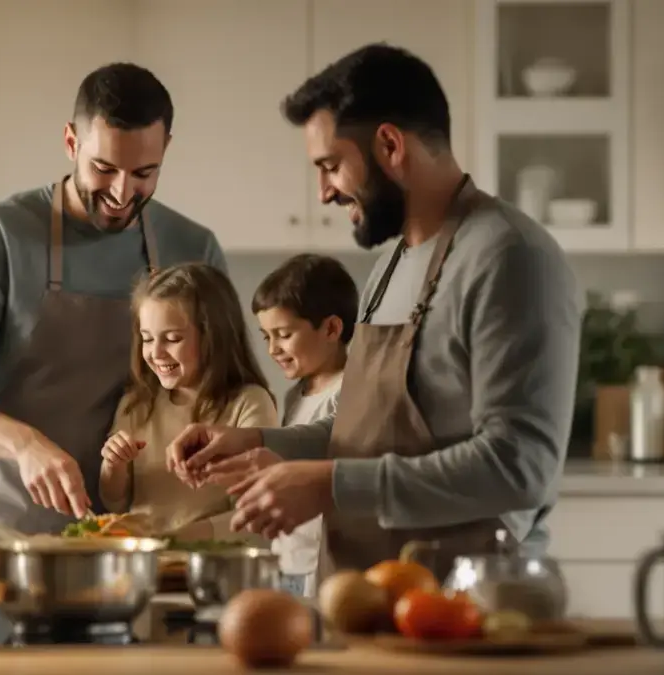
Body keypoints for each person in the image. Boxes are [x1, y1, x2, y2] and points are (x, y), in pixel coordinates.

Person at [168, 43, 581, 581]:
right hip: (368, 593)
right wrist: (263, 442)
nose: (323, 193)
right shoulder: (389, 264)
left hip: (467, 603)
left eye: (331, 165)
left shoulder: (510, 256)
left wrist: (329, 485)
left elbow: (518, 465)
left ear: (389, 144)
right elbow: (366, 429)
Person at [0, 63, 228, 534]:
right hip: (13, 531)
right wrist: (24, 444)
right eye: (104, 168)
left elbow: (228, 388)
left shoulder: (193, 248)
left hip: (151, 535)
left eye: (145, 172)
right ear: (70, 143)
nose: (123, 193)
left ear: (165, 149)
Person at [98, 263, 276, 542]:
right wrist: (113, 465)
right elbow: (115, 502)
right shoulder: (137, 405)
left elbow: (257, 510)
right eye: (146, 339)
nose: (155, 353)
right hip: (148, 560)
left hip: (216, 561)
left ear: (213, 337)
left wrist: (176, 539)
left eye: (172, 339)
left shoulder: (249, 403)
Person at [231, 253, 359, 597]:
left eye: (284, 334)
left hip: (325, 569)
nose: (273, 349)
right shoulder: (294, 395)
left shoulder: (351, 392)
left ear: (331, 329)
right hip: (287, 561)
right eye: (266, 337)